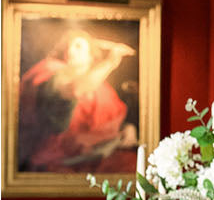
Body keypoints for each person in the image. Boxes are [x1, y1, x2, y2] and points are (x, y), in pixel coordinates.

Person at [18, 29, 138, 173]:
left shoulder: (101, 87)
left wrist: (128, 129)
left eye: (78, 46)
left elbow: (110, 120)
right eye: (67, 46)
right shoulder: (52, 71)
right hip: (55, 160)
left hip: (94, 157)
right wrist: (111, 61)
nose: (70, 50)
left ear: (91, 56)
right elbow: (75, 90)